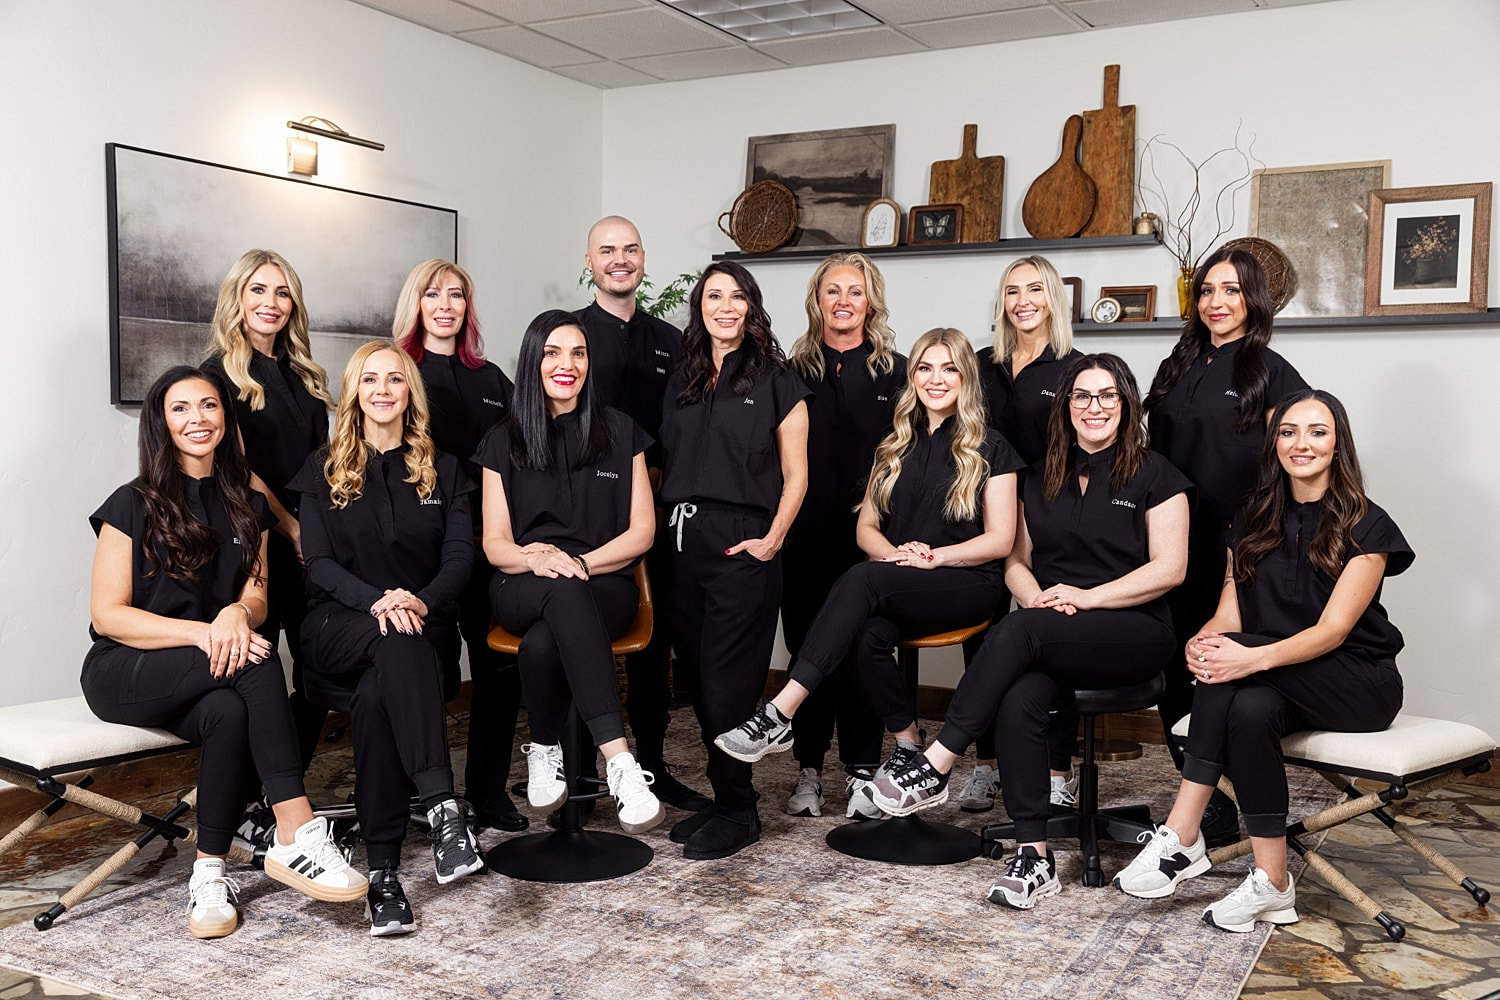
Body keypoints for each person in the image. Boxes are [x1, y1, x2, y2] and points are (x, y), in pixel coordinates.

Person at [869, 354, 1190, 911]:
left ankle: (939, 760)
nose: (1095, 407)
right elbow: (1016, 559)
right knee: (1019, 697)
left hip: (1134, 630)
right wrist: (1035, 597)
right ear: (1065, 408)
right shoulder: (1040, 474)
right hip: (1053, 623)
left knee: (1016, 635)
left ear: (1127, 404)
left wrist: (1084, 598)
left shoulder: (1156, 474)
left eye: (1108, 396)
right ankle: (1035, 855)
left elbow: (1170, 569)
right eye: (1082, 397)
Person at [82, 366, 364, 940]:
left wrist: (236, 614)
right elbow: (108, 615)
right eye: (180, 409)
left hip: (211, 673)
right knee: (257, 658)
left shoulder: (246, 502)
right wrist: (206, 632)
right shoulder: (131, 503)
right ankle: (295, 829)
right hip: (126, 669)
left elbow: (256, 595)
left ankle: (208, 872)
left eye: (208, 406)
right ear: (161, 424)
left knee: (231, 710)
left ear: (225, 418)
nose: (197, 419)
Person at [1116, 389, 1409, 932]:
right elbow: (1229, 610)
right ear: (1274, 442)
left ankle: (1182, 830)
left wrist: (1246, 656)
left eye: (1317, 432)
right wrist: (1205, 641)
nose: (1302, 444)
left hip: (1359, 682)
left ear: (1338, 441)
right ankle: (1274, 883)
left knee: (1237, 669)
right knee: (1246, 707)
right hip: (1280, 676)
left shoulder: (1368, 524)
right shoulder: (1253, 516)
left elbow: (1333, 631)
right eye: (1289, 431)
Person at [716, 328, 1020, 799]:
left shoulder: (992, 447)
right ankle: (908, 745)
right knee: (865, 634)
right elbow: (866, 531)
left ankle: (780, 712)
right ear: (912, 376)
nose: (935, 379)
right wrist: (897, 555)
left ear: (967, 379)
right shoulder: (894, 446)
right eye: (924, 368)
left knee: (860, 578)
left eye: (949, 369)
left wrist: (934, 558)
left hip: (967, 581)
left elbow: (1001, 540)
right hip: (901, 578)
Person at [289, 342, 483, 938]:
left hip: (418, 633)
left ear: (409, 392)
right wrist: (378, 601)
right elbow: (317, 563)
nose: (382, 389)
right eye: (369, 380)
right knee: (391, 643)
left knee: (381, 691)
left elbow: (460, 558)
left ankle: (382, 875)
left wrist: (417, 601)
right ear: (354, 393)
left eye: (394, 379)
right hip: (335, 627)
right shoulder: (322, 469)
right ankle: (442, 806)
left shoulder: (444, 469)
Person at [477, 309, 665, 835]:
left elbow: (641, 534)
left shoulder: (621, 431)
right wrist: (536, 559)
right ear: (534, 360)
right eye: (554, 352)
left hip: (604, 584)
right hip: (519, 582)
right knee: (557, 597)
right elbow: (496, 544)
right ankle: (621, 762)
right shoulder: (502, 439)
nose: (567, 364)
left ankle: (543, 744)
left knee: (544, 640)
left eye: (578, 353)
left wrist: (579, 563)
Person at [1144, 246, 1307, 847]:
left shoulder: (1272, 370)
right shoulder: (1176, 363)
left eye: (1232, 291)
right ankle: (1208, 803)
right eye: (1207, 290)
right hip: (1169, 536)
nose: (1216, 303)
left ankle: (1249, 803)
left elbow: (1293, 463)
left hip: (1240, 545)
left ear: (1255, 300)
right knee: (1173, 664)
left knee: (1220, 669)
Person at [659, 261, 810, 860]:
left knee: (728, 683)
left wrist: (772, 539)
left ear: (752, 306)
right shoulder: (680, 378)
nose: (726, 306)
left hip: (743, 543)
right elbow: (661, 464)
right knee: (696, 679)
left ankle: (739, 809)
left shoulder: (778, 377)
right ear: (699, 305)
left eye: (737, 296)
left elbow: (797, 473)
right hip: (678, 547)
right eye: (714, 295)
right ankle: (724, 799)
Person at [577, 216, 705, 812]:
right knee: (578, 635)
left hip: (655, 509)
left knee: (657, 644)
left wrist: (659, 478)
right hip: (581, 516)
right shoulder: (568, 334)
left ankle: (650, 765)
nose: (619, 260)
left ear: (643, 259)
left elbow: (687, 427)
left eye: (629, 250)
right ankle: (579, 774)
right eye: (607, 251)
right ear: (589, 260)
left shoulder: (673, 341)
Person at [394, 258, 526, 834]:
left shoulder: (492, 378)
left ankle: (489, 793)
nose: (445, 304)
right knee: (433, 676)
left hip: (488, 547)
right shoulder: (397, 372)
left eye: (456, 295)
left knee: (499, 670)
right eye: (432, 294)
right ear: (415, 304)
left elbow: (526, 453)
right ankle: (425, 794)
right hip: (424, 553)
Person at [777, 252, 906, 821]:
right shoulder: (790, 371)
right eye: (833, 291)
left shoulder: (899, 372)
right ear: (818, 301)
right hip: (804, 537)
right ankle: (808, 770)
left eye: (856, 291)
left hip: (871, 539)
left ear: (871, 301)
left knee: (862, 653)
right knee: (809, 650)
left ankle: (859, 771)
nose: (844, 301)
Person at [202, 249, 333, 770]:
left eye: (282, 292)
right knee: (253, 673)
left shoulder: (305, 374)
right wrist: (291, 526)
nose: (271, 302)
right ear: (237, 297)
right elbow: (237, 470)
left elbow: (323, 463)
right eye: (258, 289)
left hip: (310, 540)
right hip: (251, 541)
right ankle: (248, 802)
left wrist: (320, 531)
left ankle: (283, 794)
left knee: (320, 668)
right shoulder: (217, 374)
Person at [964, 254, 1085, 814]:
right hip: (984, 514)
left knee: (1055, 636)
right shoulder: (981, 364)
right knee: (982, 638)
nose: (1022, 301)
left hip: (1052, 516)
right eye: (1012, 291)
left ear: (1053, 298)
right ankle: (985, 766)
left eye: (1034, 289)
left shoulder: (1074, 368)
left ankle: (1060, 770)